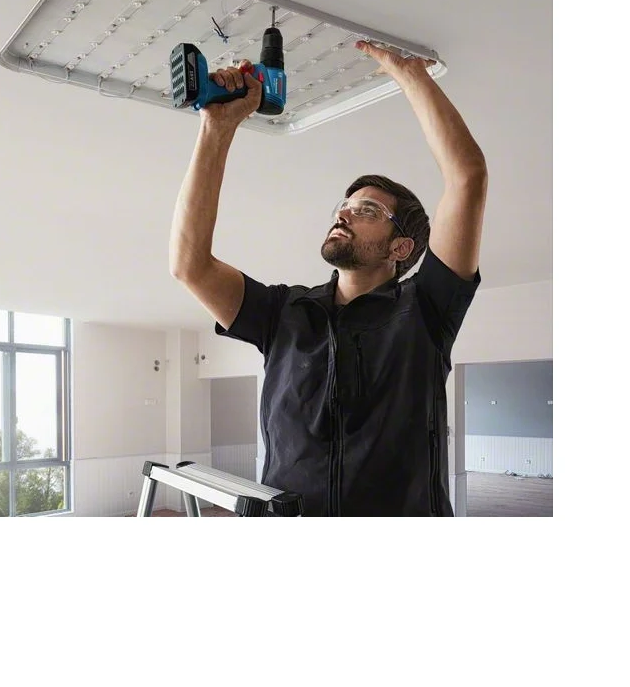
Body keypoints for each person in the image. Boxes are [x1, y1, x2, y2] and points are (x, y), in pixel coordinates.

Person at [169, 40, 487, 516]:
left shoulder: (425, 311)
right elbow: (189, 264)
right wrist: (217, 126)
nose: (344, 214)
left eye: (367, 211)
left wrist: (411, 75)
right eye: (344, 206)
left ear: (401, 248)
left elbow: (467, 177)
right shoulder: (283, 313)